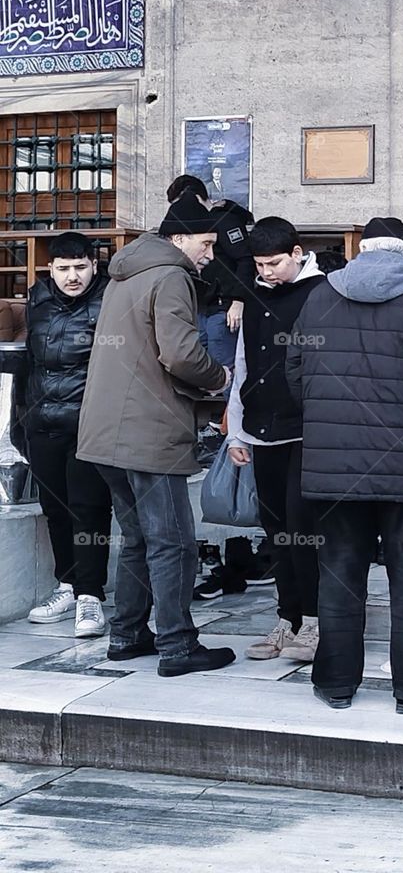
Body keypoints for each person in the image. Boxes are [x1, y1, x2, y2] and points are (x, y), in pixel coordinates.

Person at [287, 216, 403, 713]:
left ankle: (334, 683)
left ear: (360, 252)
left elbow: (295, 377)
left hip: (335, 469)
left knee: (339, 575)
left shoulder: (319, 299)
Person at [77, 192, 235, 676]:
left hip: (105, 434)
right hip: (149, 433)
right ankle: (178, 645)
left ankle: (127, 635)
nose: (210, 254)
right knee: (173, 543)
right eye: (206, 244)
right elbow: (181, 354)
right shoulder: (170, 276)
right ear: (179, 238)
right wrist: (221, 379)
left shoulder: (126, 273)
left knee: (139, 541)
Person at [226, 217, 324, 662]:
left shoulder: (322, 292)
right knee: (277, 532)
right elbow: (243, 360)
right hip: (261, 427)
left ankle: (317, 621)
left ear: (298, 253)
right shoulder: (254, 291)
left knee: (305, 530)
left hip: (307, 428)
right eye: (260, 264)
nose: (266, 272)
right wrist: (237, 428)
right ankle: (288, 618)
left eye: (275, 263)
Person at [24, 232, 113, 637]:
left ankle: (91, 596)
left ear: (94, 265)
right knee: (55, 509)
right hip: (43, 423)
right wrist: (20, 423)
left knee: (88, 509)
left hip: (89, 424)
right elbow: (29, 361)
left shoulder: (109, 299)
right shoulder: (37, 300)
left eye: (80, 267)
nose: (72, 276)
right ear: (50, 269)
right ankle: (68, 585)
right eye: (63, 269)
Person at [165, 175, 254, 366]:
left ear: (196, 198)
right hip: (202, 306)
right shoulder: (187, 229)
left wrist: (239, 300)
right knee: (199, 364)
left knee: (224, 365)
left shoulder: (224, 220)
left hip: (224, 307)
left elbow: (246, 259)